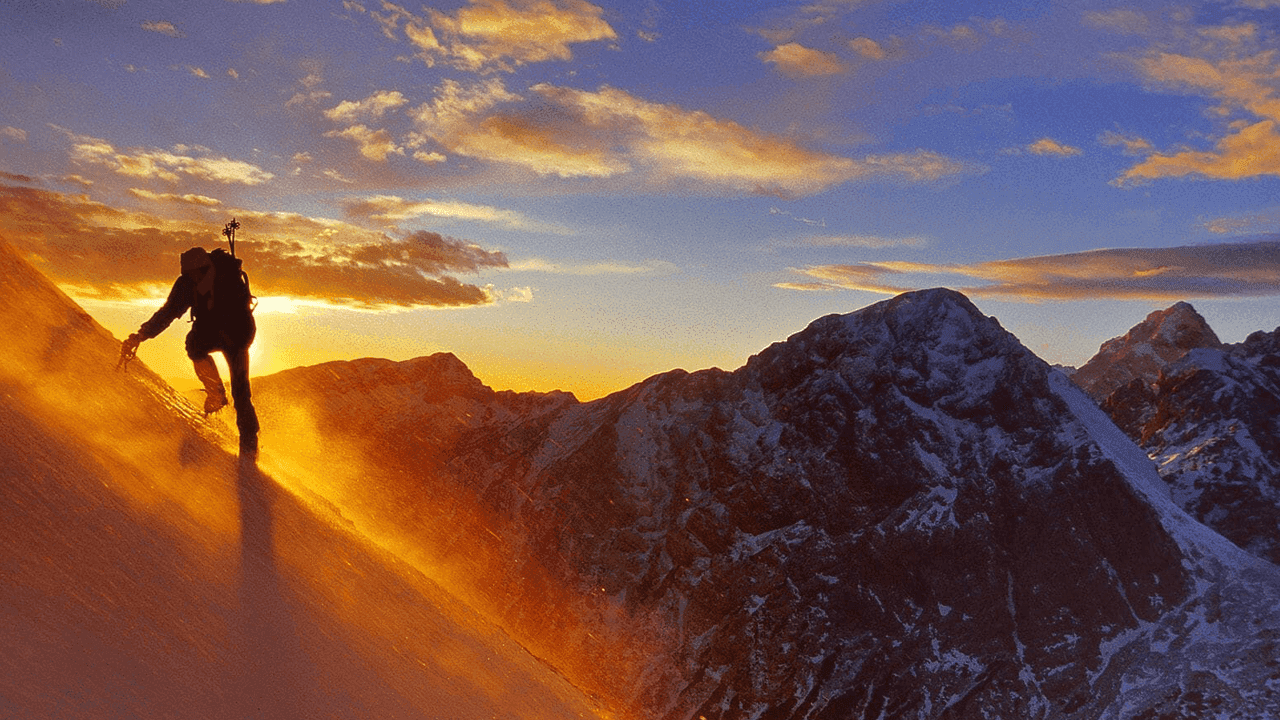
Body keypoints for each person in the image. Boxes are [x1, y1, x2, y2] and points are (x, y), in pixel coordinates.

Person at [122, 246, 259, 455]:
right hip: (236, 332)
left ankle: (246, 437)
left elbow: (169, 311)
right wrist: (142, 334)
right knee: (236, 385)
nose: (196, 276)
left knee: (238, 388)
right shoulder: (193, 281)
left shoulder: (198, 281)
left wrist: (142, 335)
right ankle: (226, 406)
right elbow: (168, 312)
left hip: (235, 333)